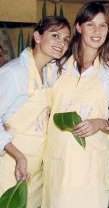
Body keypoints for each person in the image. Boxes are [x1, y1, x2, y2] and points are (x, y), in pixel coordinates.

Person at [42, 1, 109, 208]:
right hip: (58, 161)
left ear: (108, 31)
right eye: (90, 24)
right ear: (79, 27)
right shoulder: (56, 67)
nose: (97, 31)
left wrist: (101, 123)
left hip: (90, 165)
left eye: (103, 25)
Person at [0, 16, 70, 208]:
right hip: (10, 164)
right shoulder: (13, 73)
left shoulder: (50, 73)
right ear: (37, 37)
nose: (61, 43)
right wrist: (18, 156)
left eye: (65, 39)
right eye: (55, 35)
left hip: (36, 169)